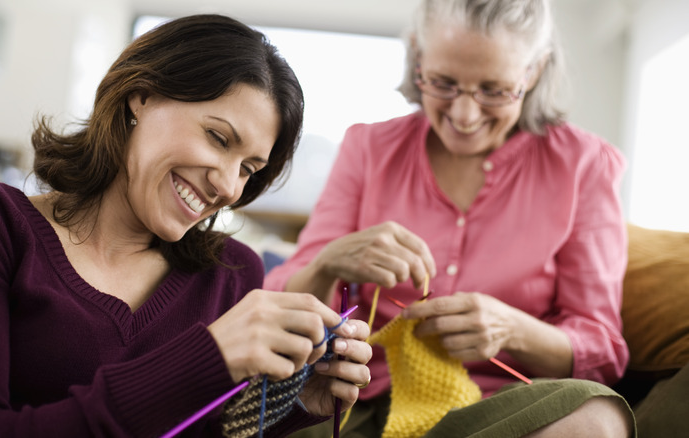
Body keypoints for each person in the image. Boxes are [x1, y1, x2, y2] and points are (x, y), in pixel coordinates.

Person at [0, 14, 372, 438]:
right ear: (141, 97)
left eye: (249, 168)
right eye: (217, 137)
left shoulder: (231, 275)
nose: (228, 185)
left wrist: (287, 410)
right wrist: (206, 359)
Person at [265, 0, 635, 436]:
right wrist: (329, 263)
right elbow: (277, 304)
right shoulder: (369, 148)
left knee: (599, 420)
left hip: (503, 410)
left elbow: (603, 351)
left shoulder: (583, 165)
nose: (464, 115)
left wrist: (513, 330)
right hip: (361, 397)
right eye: (442, 83)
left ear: (533, 72)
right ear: (418, 56)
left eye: (494, 90)